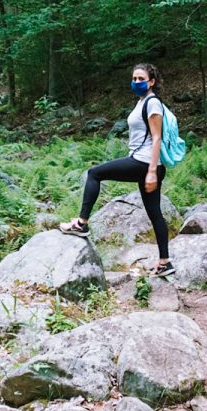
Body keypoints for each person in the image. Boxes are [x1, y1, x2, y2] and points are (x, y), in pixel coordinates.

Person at [59, 63, 174, 277]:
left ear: (152, 81)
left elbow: (157, 138)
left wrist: (150, 171)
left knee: (95, 173)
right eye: (134, 79)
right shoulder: (142, 102)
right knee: (155, 214)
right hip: (145, 163)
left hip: (145, 164)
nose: (137, 82)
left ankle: (82, 223)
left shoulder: (153, 103)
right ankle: (165, 262)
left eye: (141, 79)